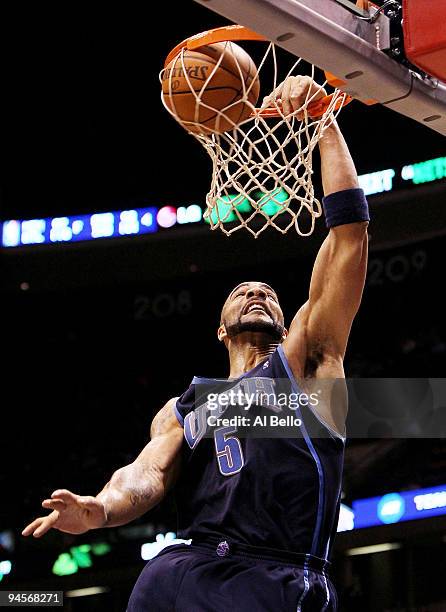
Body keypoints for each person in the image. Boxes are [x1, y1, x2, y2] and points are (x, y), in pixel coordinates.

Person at [22, 76, 369, 611]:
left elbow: (349, 236)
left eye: (268, 294)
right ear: (220, 329)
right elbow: (147, 474)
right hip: (186, 566)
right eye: (241, 291)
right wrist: (101, 508)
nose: (255, 292)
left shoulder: (309, 360)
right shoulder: (183, 407)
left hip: (273, 572)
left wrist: (323, 122)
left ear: (285, 321)